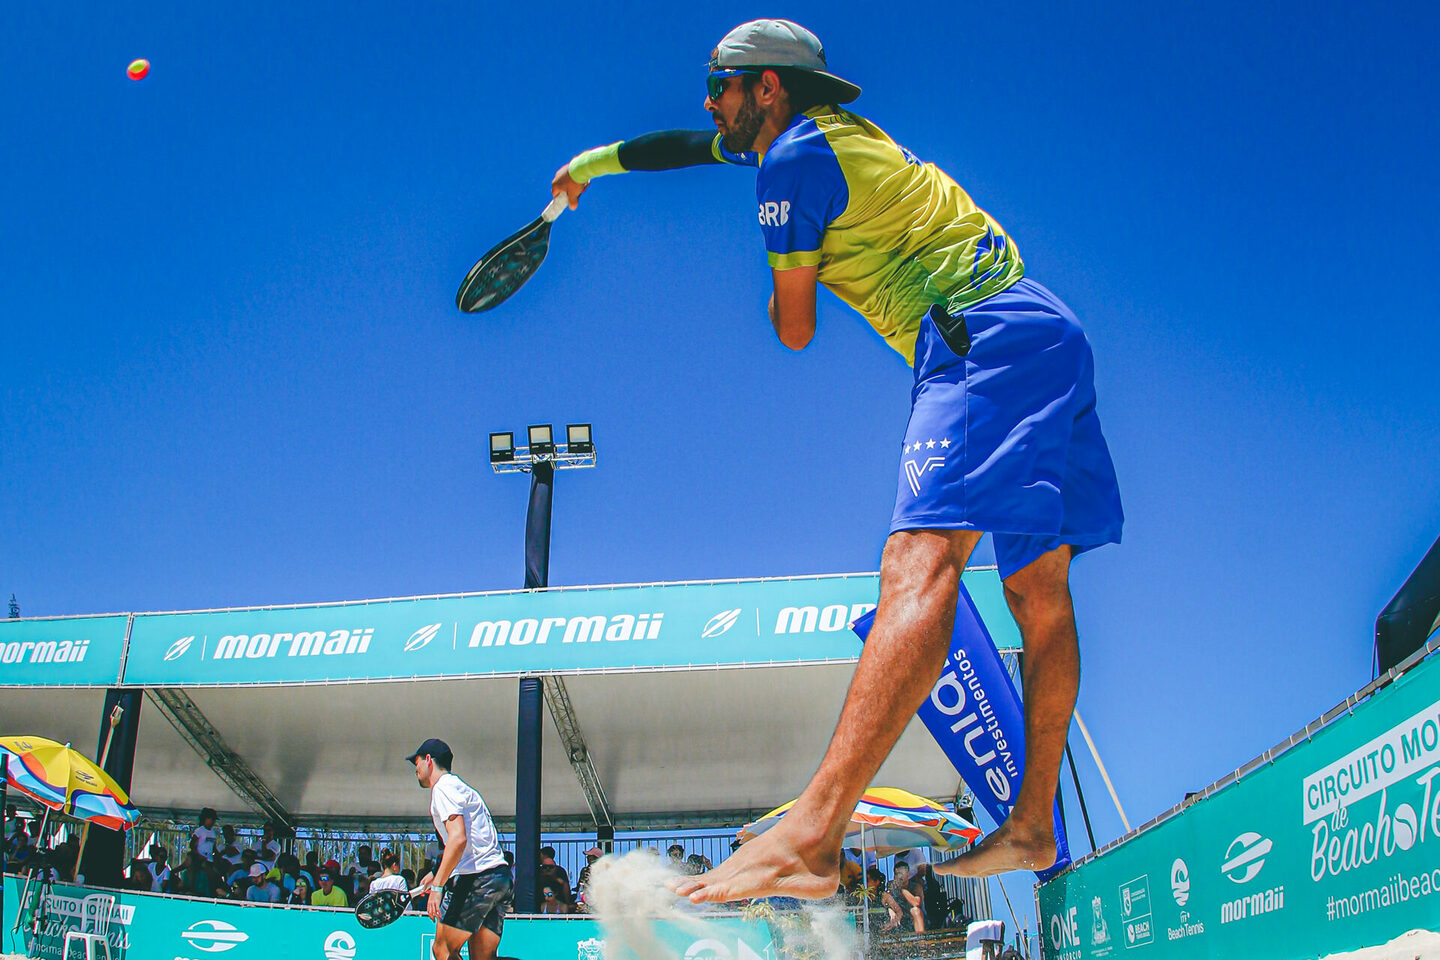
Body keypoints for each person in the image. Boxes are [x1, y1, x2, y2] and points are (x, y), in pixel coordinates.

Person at [552, 18, 1122, 901]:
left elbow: (795, 327)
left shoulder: (790, 165)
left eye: (721, 84)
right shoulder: (831, 136)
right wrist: (593, 166)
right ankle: (1034, 819)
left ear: (767, 88)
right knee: (1037, 594)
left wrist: (785, 264)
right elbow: (688, 150)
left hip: (975, 341)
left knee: (918, 564)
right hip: (1043, 325)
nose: (709, 103)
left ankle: (812, 837)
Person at [407, 738, 511, 960]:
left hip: (476, 878)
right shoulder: (461, 788)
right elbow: (468, 843)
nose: (415, 768)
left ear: (428, 760)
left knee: (443, 949)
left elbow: (458, 839)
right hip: (498, 877)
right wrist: (436, 873)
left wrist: (438, 887)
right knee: (483, 957)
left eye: (416, 762)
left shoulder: (442, 788)